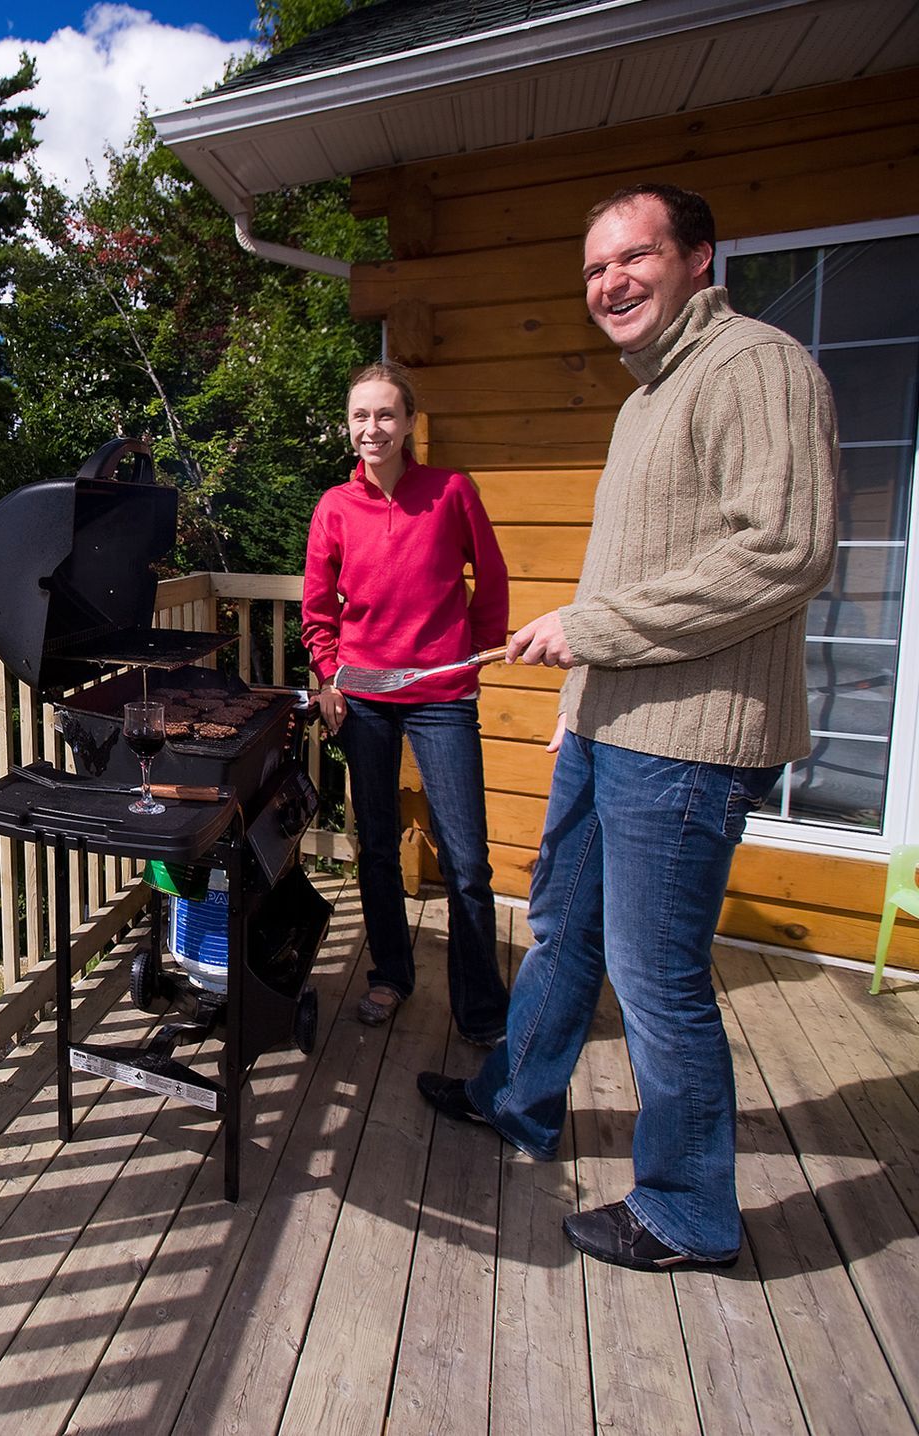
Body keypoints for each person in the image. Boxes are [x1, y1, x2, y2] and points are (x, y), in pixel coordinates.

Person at [418, 183, 837, 1272]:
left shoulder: (756, 365)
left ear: (700, 256)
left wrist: (592, 630)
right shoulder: (648, 395)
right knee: (562, 928)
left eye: (632, 258)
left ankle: (690, 1211)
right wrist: (576, 706)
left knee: (656, 981)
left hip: (691, 743)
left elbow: (783, 551)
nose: (609, 283)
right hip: (610, 729)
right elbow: (630, 575)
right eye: (595, 269)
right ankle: (520, 1099)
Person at [303, 360, 510, 1045]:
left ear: (410, 422)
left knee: (467, 860)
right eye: (361, 416)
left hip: (442, 696)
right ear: (348, 426)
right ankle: (390, 975)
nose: (374, 428)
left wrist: (478, 650)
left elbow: (493, 573)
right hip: (364, 698)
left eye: (386, 414)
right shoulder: (334, 505)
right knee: (378, 849)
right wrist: (331, 677)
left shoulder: (450, 491)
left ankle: (479, 1007)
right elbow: (316, 608)